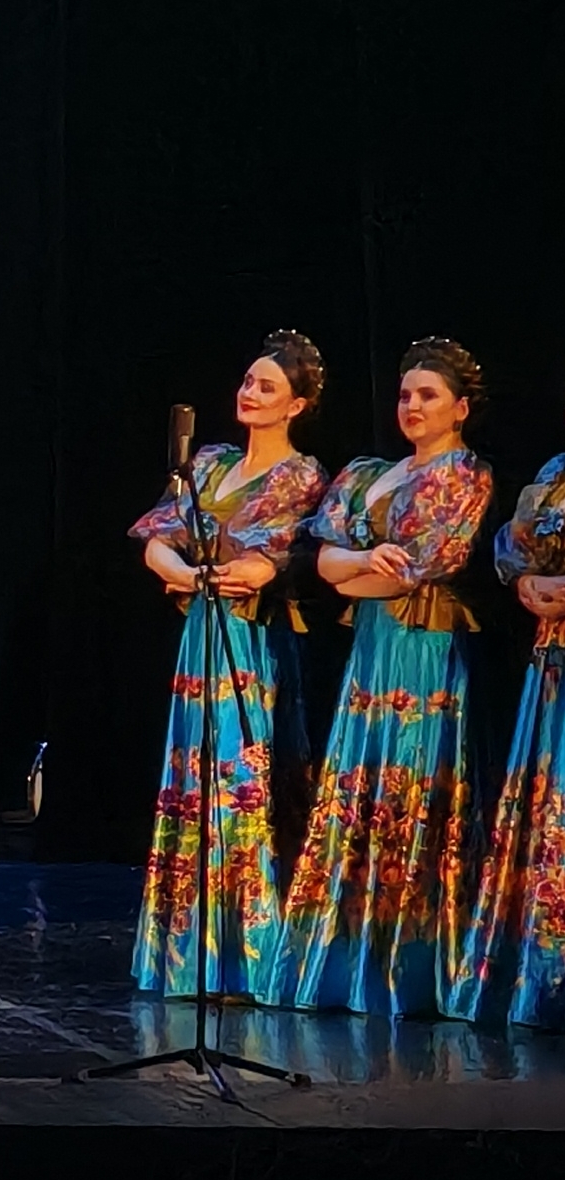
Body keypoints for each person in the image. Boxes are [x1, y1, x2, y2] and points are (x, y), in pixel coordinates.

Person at [270, 338, 493, 1017]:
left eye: (428, 395)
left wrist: (354, 570)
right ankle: (344, 961)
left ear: (460, 408)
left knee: (410, 789)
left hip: (422, 651)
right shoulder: (370, 473)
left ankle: (407, 969)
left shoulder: (464, 474)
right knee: (358, 787)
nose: (412, 406)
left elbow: (421, 566)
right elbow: (323, 559)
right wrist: (357, 565)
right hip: (370, 651)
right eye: (405, 395)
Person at [123, 334, 329, 997]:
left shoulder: (299, 475)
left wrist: (206, 571)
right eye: (247, 381)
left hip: (251, 638)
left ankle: (249, 951)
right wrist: (187, 573)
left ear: (296, 405)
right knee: (195, 775)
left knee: (243, 776)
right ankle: (189, 948)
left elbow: (258, 563)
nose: (250, 394)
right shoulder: (210, 464)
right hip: (202, 633)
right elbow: (158, 538)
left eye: (267, 387)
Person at [456, 449, 565, 1027]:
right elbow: (515, 546)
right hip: (555, 659)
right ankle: (540, 982)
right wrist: (528, 581)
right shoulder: (556, 473)